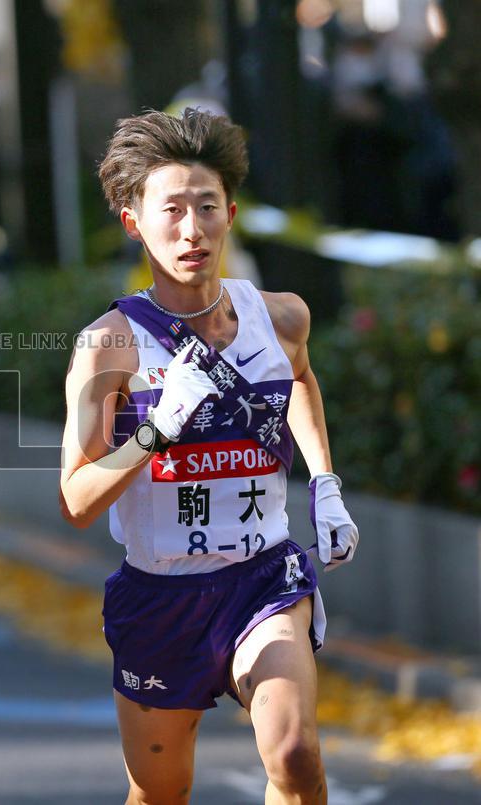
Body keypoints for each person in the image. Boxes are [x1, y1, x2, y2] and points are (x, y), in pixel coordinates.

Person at [60, 108, 358, 805]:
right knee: (161, 791)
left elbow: (300, 383)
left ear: (230, 212)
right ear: (134, 221)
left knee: (295, 755)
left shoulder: (279, 318)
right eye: (171, 211)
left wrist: (325, 480)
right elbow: (75, 499)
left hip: (263, 578)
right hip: (160, 596)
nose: (191, 230)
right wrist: (153, 431)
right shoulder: (110, 346)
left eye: (206, 208)